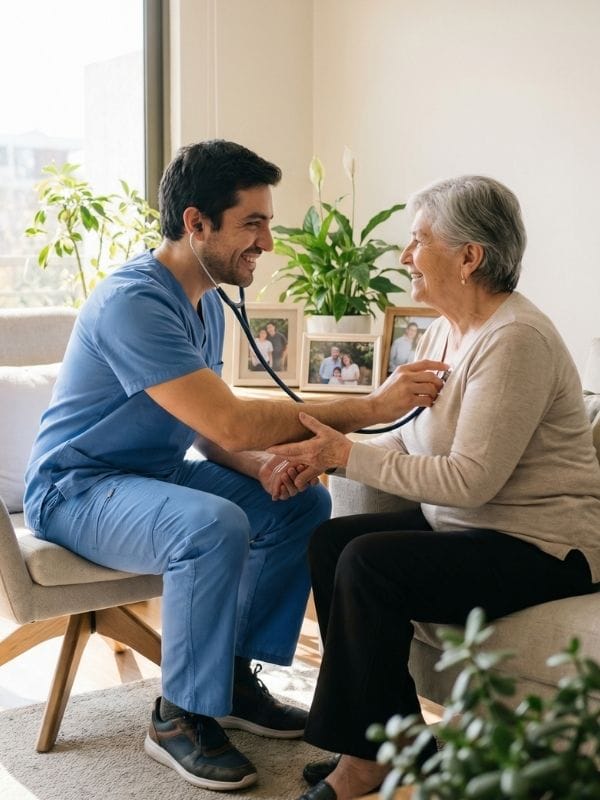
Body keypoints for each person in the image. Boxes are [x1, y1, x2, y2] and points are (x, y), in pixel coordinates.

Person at [23, 139, 447, 793]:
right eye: (254, 223)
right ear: (197, 223)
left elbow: (206, 426)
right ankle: (177, 714)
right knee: (210, 524)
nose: (268, 243)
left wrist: (260, 469)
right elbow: (227, 419)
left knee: (302, 503)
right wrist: (373, 404)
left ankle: (229, 683)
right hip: (77, 488)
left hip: (149, 476)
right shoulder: (133, 303)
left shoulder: (207, 304)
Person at [269, 175, 600, 800]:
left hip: (547, 548)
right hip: (476, 532)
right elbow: (411, 441)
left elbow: (471, 482)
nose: (405, 257)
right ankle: (398, 745)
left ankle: (366, 760)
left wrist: (346, 453)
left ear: (468, 257)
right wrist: (328, 460)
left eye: (418, 242)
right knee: (333, 542)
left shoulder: (515, 340)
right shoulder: (444, 330)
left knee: (370, 563)